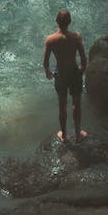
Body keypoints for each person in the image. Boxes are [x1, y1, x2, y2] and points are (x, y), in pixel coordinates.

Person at [43, 8, 88, 143]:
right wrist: (82, 70)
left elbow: (45, 61)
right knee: (76, 104)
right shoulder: (76, 37)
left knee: (62, 105)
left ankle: (63, 136)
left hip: (61, 74)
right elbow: (83, 58)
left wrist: (48, 72)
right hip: (74, 73)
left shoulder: (50, 39)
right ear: (70, 22)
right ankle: (78, 135)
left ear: (56, 21)